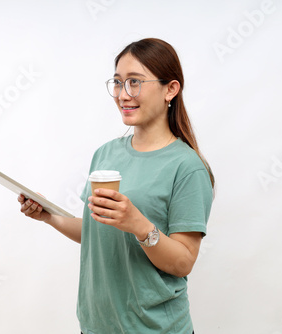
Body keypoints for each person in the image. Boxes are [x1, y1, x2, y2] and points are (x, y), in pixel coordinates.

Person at [18, 38, 214, 334]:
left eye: (135, 82)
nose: (123, 94)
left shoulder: (187, 167)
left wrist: (138, 224)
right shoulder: (106, 154)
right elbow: (97, 232)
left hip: (154, 328)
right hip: (96, 325)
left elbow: (183, 262)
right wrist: (50, 216)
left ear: (170, 89)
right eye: (118, 83)